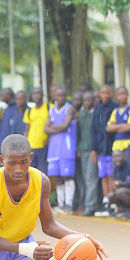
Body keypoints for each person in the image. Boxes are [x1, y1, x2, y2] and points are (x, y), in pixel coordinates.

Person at [45, 86, 77, 214]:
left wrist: (53, 127)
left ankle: (69, 205)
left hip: (66, 148)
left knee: (67, 176)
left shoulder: (69, 109)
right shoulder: (52, 110)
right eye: (58, 96)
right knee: (58, 177)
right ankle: (61, 204)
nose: (60, 98)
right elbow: (45, 129)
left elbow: (65, 125)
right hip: (54, 148)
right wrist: (57, 127)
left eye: (63, 96)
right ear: (54, 97)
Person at [90, 85, 117, 215]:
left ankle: (113, 200)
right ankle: (106, 200)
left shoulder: (114, 107)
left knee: (111, 175)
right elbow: (93, 130)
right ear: (100, 94)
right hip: (101, 148)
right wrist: (94, 149)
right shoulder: (97, 109)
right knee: (103, 175)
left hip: (112, 147)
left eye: (107, 93)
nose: (105, 95)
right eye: (103, 93)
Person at [106, 86, 130, 166]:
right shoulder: (115, 111)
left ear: (127, 94)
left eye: (124, 94)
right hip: (117, 146)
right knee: (117, 171)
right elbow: (108, 128)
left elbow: (129, 127)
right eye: (119, 94)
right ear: (116, 96)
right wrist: (123, 125)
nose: (122, 96)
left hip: (129, 144)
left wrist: (115, 127)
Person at [76, 91, 97, 216]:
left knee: (91, 179)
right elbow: (78, 134)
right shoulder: (81, 116)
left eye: (90, 99)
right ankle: (85, 204)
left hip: (93, 151)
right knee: (84, 179)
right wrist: (78, 148)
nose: (88, 102)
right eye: (86, 100)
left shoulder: (96, 114)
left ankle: (90, 207)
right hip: (83, 150)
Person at [23, 87, 50, 175]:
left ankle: (43, 189)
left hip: (44, 145)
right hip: (32, 146)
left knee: (43, 171)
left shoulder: (49, 107)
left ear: (42, 95)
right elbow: (27, 129)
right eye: (34, 94)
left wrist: (49, 139)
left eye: (38, 93)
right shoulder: (29, 110)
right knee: (31, 171)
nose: (36, 96)